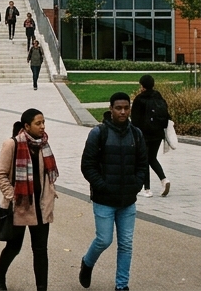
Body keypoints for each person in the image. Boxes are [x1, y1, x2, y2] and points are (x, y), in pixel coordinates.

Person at [78, 92, 148, 291]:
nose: (123, 112)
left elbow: (143, 164)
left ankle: (122, 285)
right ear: (111, 109)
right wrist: (102, 185)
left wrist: (136, 185)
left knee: (126, 244)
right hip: (104, 199)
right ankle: (87, 262)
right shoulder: (99, 133)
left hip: (128, 201)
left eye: (126, 108)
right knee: (104, 239)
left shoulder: (136, 134)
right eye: (119, 108)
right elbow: (87, 165)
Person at [0, 108, 57, 291]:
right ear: (26, 126)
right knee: (14, 246)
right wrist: (13, 196)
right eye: (38, 123)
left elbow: (47, 174)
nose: (42, 127)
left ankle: (42, 288)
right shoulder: (12, 144)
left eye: (43, 122)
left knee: (40, 250)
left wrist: (51, 190)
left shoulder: (44, 145)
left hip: (41, 206)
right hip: (19, 207)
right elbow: (0, 175)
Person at [132, 75, 171, 198]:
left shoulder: (139, 99)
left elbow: (135, 120)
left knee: (144, 159)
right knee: (151, 158)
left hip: (144, 134)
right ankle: (164, 180)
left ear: (142, 86)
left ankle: (147, 189)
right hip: (158, 134)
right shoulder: (158, 97)